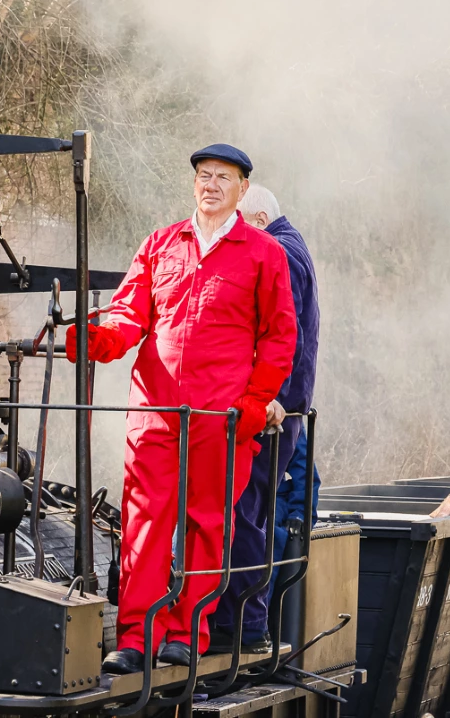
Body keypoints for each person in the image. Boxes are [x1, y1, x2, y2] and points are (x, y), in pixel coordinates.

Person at [68, 143, 297, 673]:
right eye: (203, 175)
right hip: (155, 409)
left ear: (243, 189)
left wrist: (254, 402)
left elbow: (280, 336)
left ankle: (186, 633)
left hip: (223, 418)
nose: (210, 184)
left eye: (223, 177)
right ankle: (135, 637)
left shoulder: (264, 254)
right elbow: (130, 312)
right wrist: (99, 338)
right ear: (194, 183)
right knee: (144, 523)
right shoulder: (161, 244)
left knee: (207, 524)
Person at [209, 183, 319, 655]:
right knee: (246, 510)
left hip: (271, 412)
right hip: (277, 409)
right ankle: (241, 624)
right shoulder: (292, 247)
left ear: (254, 220)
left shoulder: (279, 253)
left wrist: (264, 400)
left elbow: (280, 336)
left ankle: (242, 627)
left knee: (243, 511)